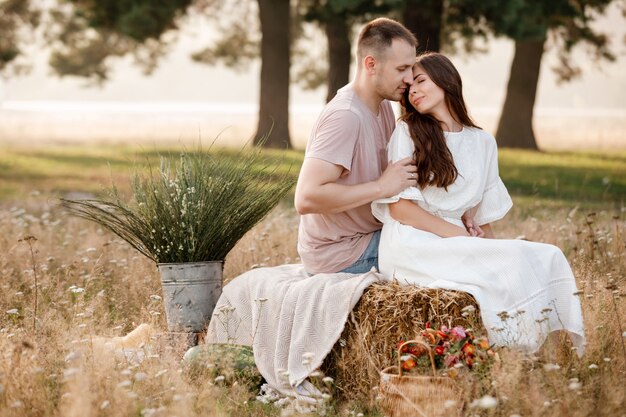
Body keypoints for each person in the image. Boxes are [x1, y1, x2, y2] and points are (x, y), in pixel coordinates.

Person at [372, 52, 585, 354]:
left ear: (446, 80)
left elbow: (480, 219)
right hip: (412, 241)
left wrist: (493, 249)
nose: (414, 91)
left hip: (456, 241)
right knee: (514, 260)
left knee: (547, 255)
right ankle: (511, 348)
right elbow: (400, 209)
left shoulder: (483, 142)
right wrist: (458, 234)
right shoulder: (407, 132)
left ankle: (534, 349)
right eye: (409, 89)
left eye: (420, 81)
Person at [294, 18, 419, 275]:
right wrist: (381, 187)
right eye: (402, 69)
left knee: (446, 241)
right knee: (440, 254)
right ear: (371, 64)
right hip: (341, 252)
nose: (410, 78)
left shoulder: (383, 106)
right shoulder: (346, 117)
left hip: (369, 235)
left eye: (412, 68)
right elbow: (306, 197)